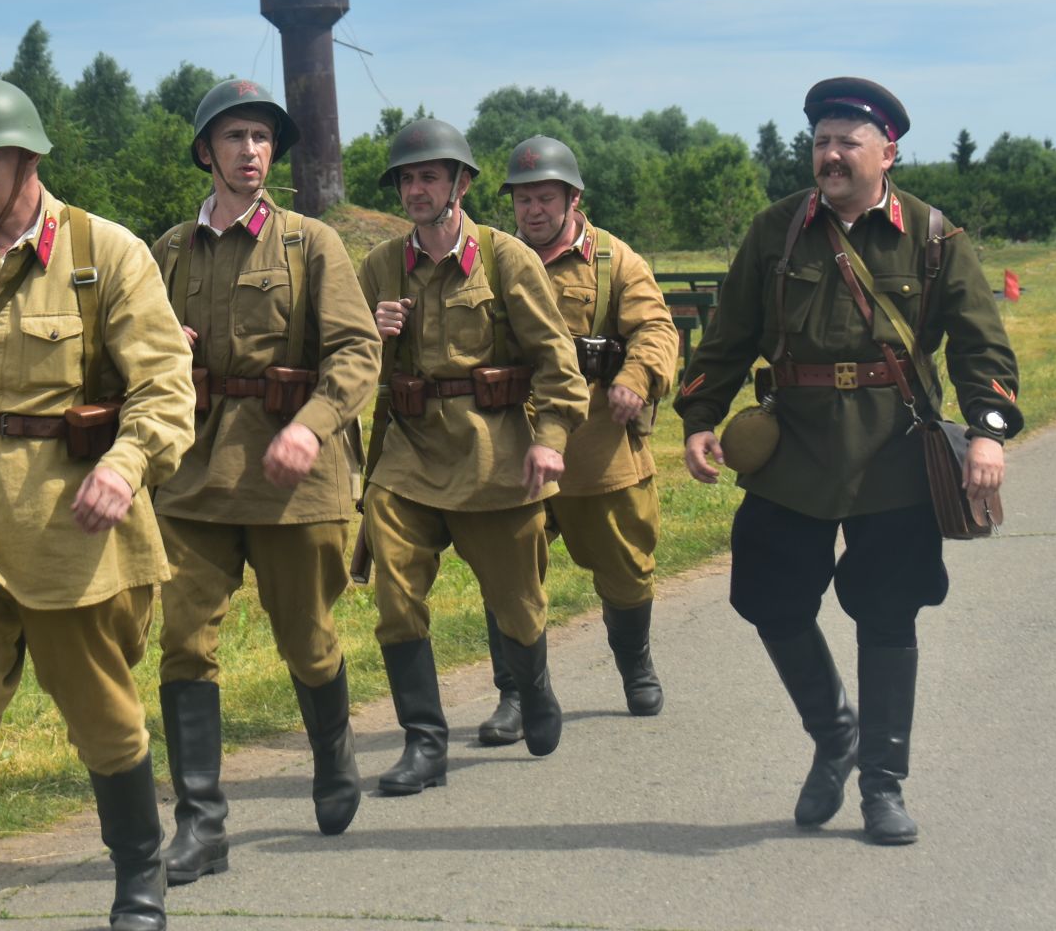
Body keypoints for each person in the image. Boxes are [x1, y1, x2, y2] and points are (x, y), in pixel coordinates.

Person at [0, 78, 196, 930]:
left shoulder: (106, 253)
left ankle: (140, 881)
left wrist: (127, 468)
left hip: (73, 531)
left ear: (29, 158)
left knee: (102, 714)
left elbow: (166, 388)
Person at [675, 77, 1021, 847]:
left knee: (888, 611)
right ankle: (837, 738)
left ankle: (883, 788)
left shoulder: (933, 237)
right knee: (768, 599)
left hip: (893, 454)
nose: (829, 156)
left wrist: (989, 432)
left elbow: (980, 344)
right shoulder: (775, 231)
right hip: (792, 451)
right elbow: (728, 333)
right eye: (821, 141)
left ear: (886, 150)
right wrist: (701, 415)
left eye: (847, 143)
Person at [149, 78, 382, 884]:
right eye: (235, 137)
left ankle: (334, 753)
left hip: (296, 478)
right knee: (183, 641)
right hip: (194, 474)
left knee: (307, 639)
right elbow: (128, 353)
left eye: (262, 138)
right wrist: (162, 346)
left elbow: (356, 352)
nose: (251, 152)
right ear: (206, 151)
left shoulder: (311, 244)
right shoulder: (169, 252)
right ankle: (201, 824)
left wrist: (310, 429)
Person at [357, 117, 590, 793]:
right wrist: (373, 337)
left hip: (494, 454)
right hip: (408, 454)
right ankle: (424, 743)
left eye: (429, 176)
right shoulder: (380, 266)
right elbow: (345, 366)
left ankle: (534, 688)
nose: (416, 189)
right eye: (406, 178)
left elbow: (557, 364)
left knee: (517, 604)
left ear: (460, 183)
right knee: (397, 602)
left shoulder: (503, 258)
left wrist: (550, 443)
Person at [476, 135, 680, 747]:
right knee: (506, 573)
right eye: (522, 199)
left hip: (597, 444)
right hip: (514, 441)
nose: (532, 210)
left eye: (544, 198)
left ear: (573, 198)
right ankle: (516, 693)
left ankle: (634, 662)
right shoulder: (491, 259)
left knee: (625, 567)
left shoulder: (615, 261)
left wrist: (635, 376)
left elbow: (656, 327)